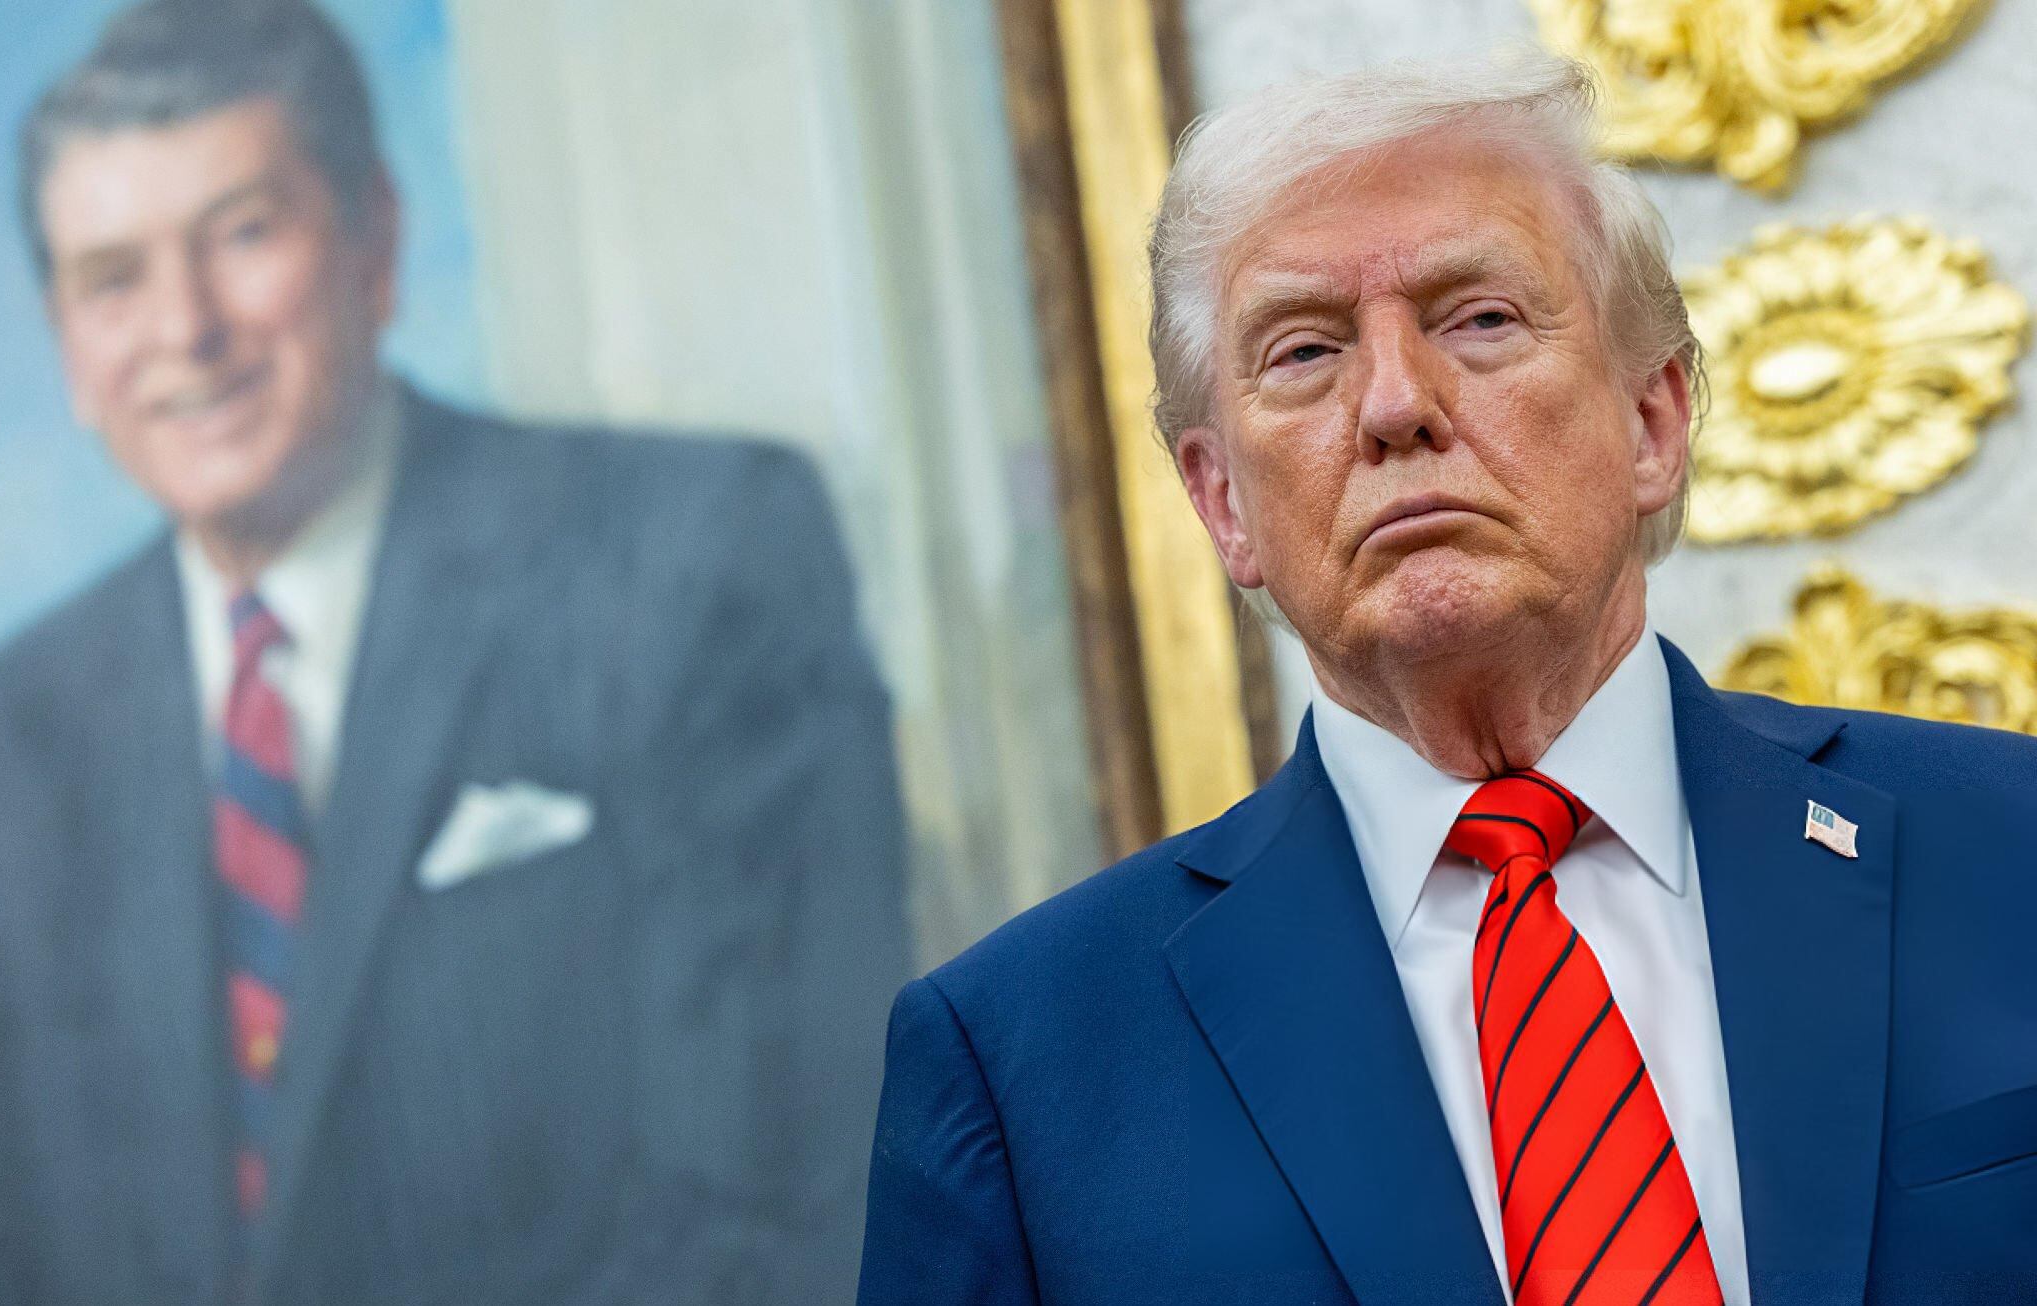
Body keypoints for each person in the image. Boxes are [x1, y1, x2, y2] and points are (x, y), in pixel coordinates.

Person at [858, 52, 2037, 1306]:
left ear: (1653, 421)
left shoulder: (2007, 848)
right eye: (1303, 350)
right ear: (1221, 503)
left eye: (1477, 318)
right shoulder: (1020, 1061)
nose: (1392, 403)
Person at [0, 2, 910, 1303]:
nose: (185, 328)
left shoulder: (694, 561)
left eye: (243, 234)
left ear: (375, 242)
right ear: (68, 345)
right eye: (115, 277)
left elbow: (780, 1181)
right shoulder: (16, 732)